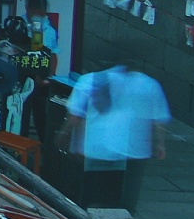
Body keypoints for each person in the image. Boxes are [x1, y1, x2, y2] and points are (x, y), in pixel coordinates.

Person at [66, 62, 172, 210]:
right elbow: (159, 119)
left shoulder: (90, 80)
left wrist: (69, 138)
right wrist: (160, 144)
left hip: (97, 147)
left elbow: (76, 115)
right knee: (124, 194)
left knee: (92, 191)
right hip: (135, 151)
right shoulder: (150, 84)